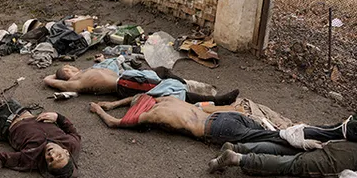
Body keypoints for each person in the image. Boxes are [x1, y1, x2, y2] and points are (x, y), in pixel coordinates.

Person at [88, 95, 357, 147]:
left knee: (280, 139)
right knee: (279, 131)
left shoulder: (150, 115)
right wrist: (112, 102)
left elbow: (115, 123)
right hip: (224, 115)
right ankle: (336, 129)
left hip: (216, 128)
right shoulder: (169, 99)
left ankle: (335, 133)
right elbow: (140, 96)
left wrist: (99, 110)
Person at [207, 138, 357, 178]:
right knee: (292, 165)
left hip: (351, 147)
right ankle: (237, 158)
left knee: (289, 151)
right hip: (352, 163)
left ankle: (240, 147)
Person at [44, 59, 239, 104]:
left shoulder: (87, 70)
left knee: (162, 71)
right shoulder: (75, 83)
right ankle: (219, 101)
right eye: (66, 71)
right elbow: (49, 80)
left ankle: (184, 85)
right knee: (167, 90)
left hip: (128, 77)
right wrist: (56, 76)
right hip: (124, 85)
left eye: (69, 66)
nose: (71, 69)